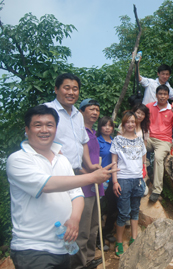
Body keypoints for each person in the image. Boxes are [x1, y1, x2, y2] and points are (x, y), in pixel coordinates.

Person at [7, 105, 116, 269]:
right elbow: (47, 184)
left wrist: (75, 219)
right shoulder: (18, 159)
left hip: (64, 247)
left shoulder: (62, 159)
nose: (44, 130)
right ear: (27, 130)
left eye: (49, 125)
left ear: (56, 129)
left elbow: (76, 193)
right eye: (38, 125)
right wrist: (92, 177)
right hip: (33, 250)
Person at [71, 99, 108, 266]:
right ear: (81, 112)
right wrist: (88, 176)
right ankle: (80, 263)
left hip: (96, 185)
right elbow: (74, 163)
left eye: (97, 110)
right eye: (91, 109)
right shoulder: (77, 133)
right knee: (83, 228)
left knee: (94, 225)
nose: (95, 112)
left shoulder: (93, 133)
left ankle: (90, 258)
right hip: (83, 186)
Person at [44, 73, 100, 175]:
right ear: (56, 89)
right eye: (67, 88)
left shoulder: (78, 115)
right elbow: (38, 141)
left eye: (75, 89)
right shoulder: (46, 110)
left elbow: (83, 142)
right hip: (54, 172)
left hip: (75, 172)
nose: (71, 92)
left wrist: (90, 166)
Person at [110, 112, 147, 257]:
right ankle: (119, 242)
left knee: (135, 210)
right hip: (123, 179)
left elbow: (143, 158)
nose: (130, 124)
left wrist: (144, 172)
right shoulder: (118, 140)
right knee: (123, 213)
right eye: (128, 122)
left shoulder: (139, 140)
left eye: (133, 122)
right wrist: (114, 181)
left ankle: (134, 238)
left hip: (137, 179)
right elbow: (113, 161)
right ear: (123, 124)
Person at [146, 85, 173, 202]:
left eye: (165, 94)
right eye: (160, 94)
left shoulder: (172, 109)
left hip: (163, 140)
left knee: (158, 157)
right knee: (136, 147)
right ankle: (142, 178)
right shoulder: (149, 107)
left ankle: (156, 190)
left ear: (168, 96)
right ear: (156, 95)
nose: (162, 96)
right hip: (149, 138)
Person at [97, 116, 118, 247]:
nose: (107, 128)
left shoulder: (115, 141)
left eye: (110, 125)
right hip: (101, 178)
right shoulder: (96, 141)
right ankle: (97, 238)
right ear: (100, 127)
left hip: (114, 178)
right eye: (104, 125)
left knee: (113, 207)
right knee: (98, 209)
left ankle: (108, 231)